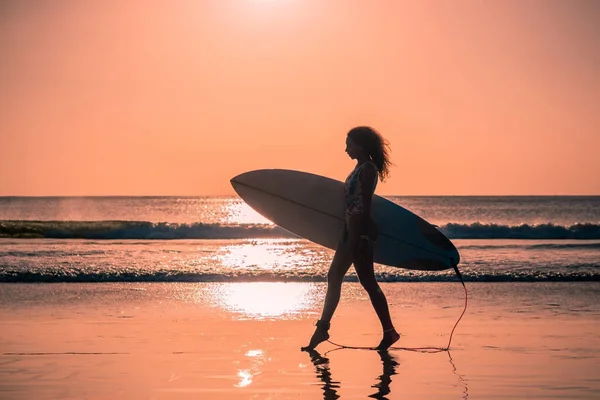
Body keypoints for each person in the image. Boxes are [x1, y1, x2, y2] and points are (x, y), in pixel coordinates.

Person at [301, 126, 400, 352]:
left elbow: (364, 204)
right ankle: (388, 332)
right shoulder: (359, 168)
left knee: (348, 278)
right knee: (357, 281)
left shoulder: (367, 169)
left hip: (358, 232)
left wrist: (357, 235)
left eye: (350, 144)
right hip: (350, 230)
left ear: (361, 145)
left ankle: (324, 328)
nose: (346, 149)